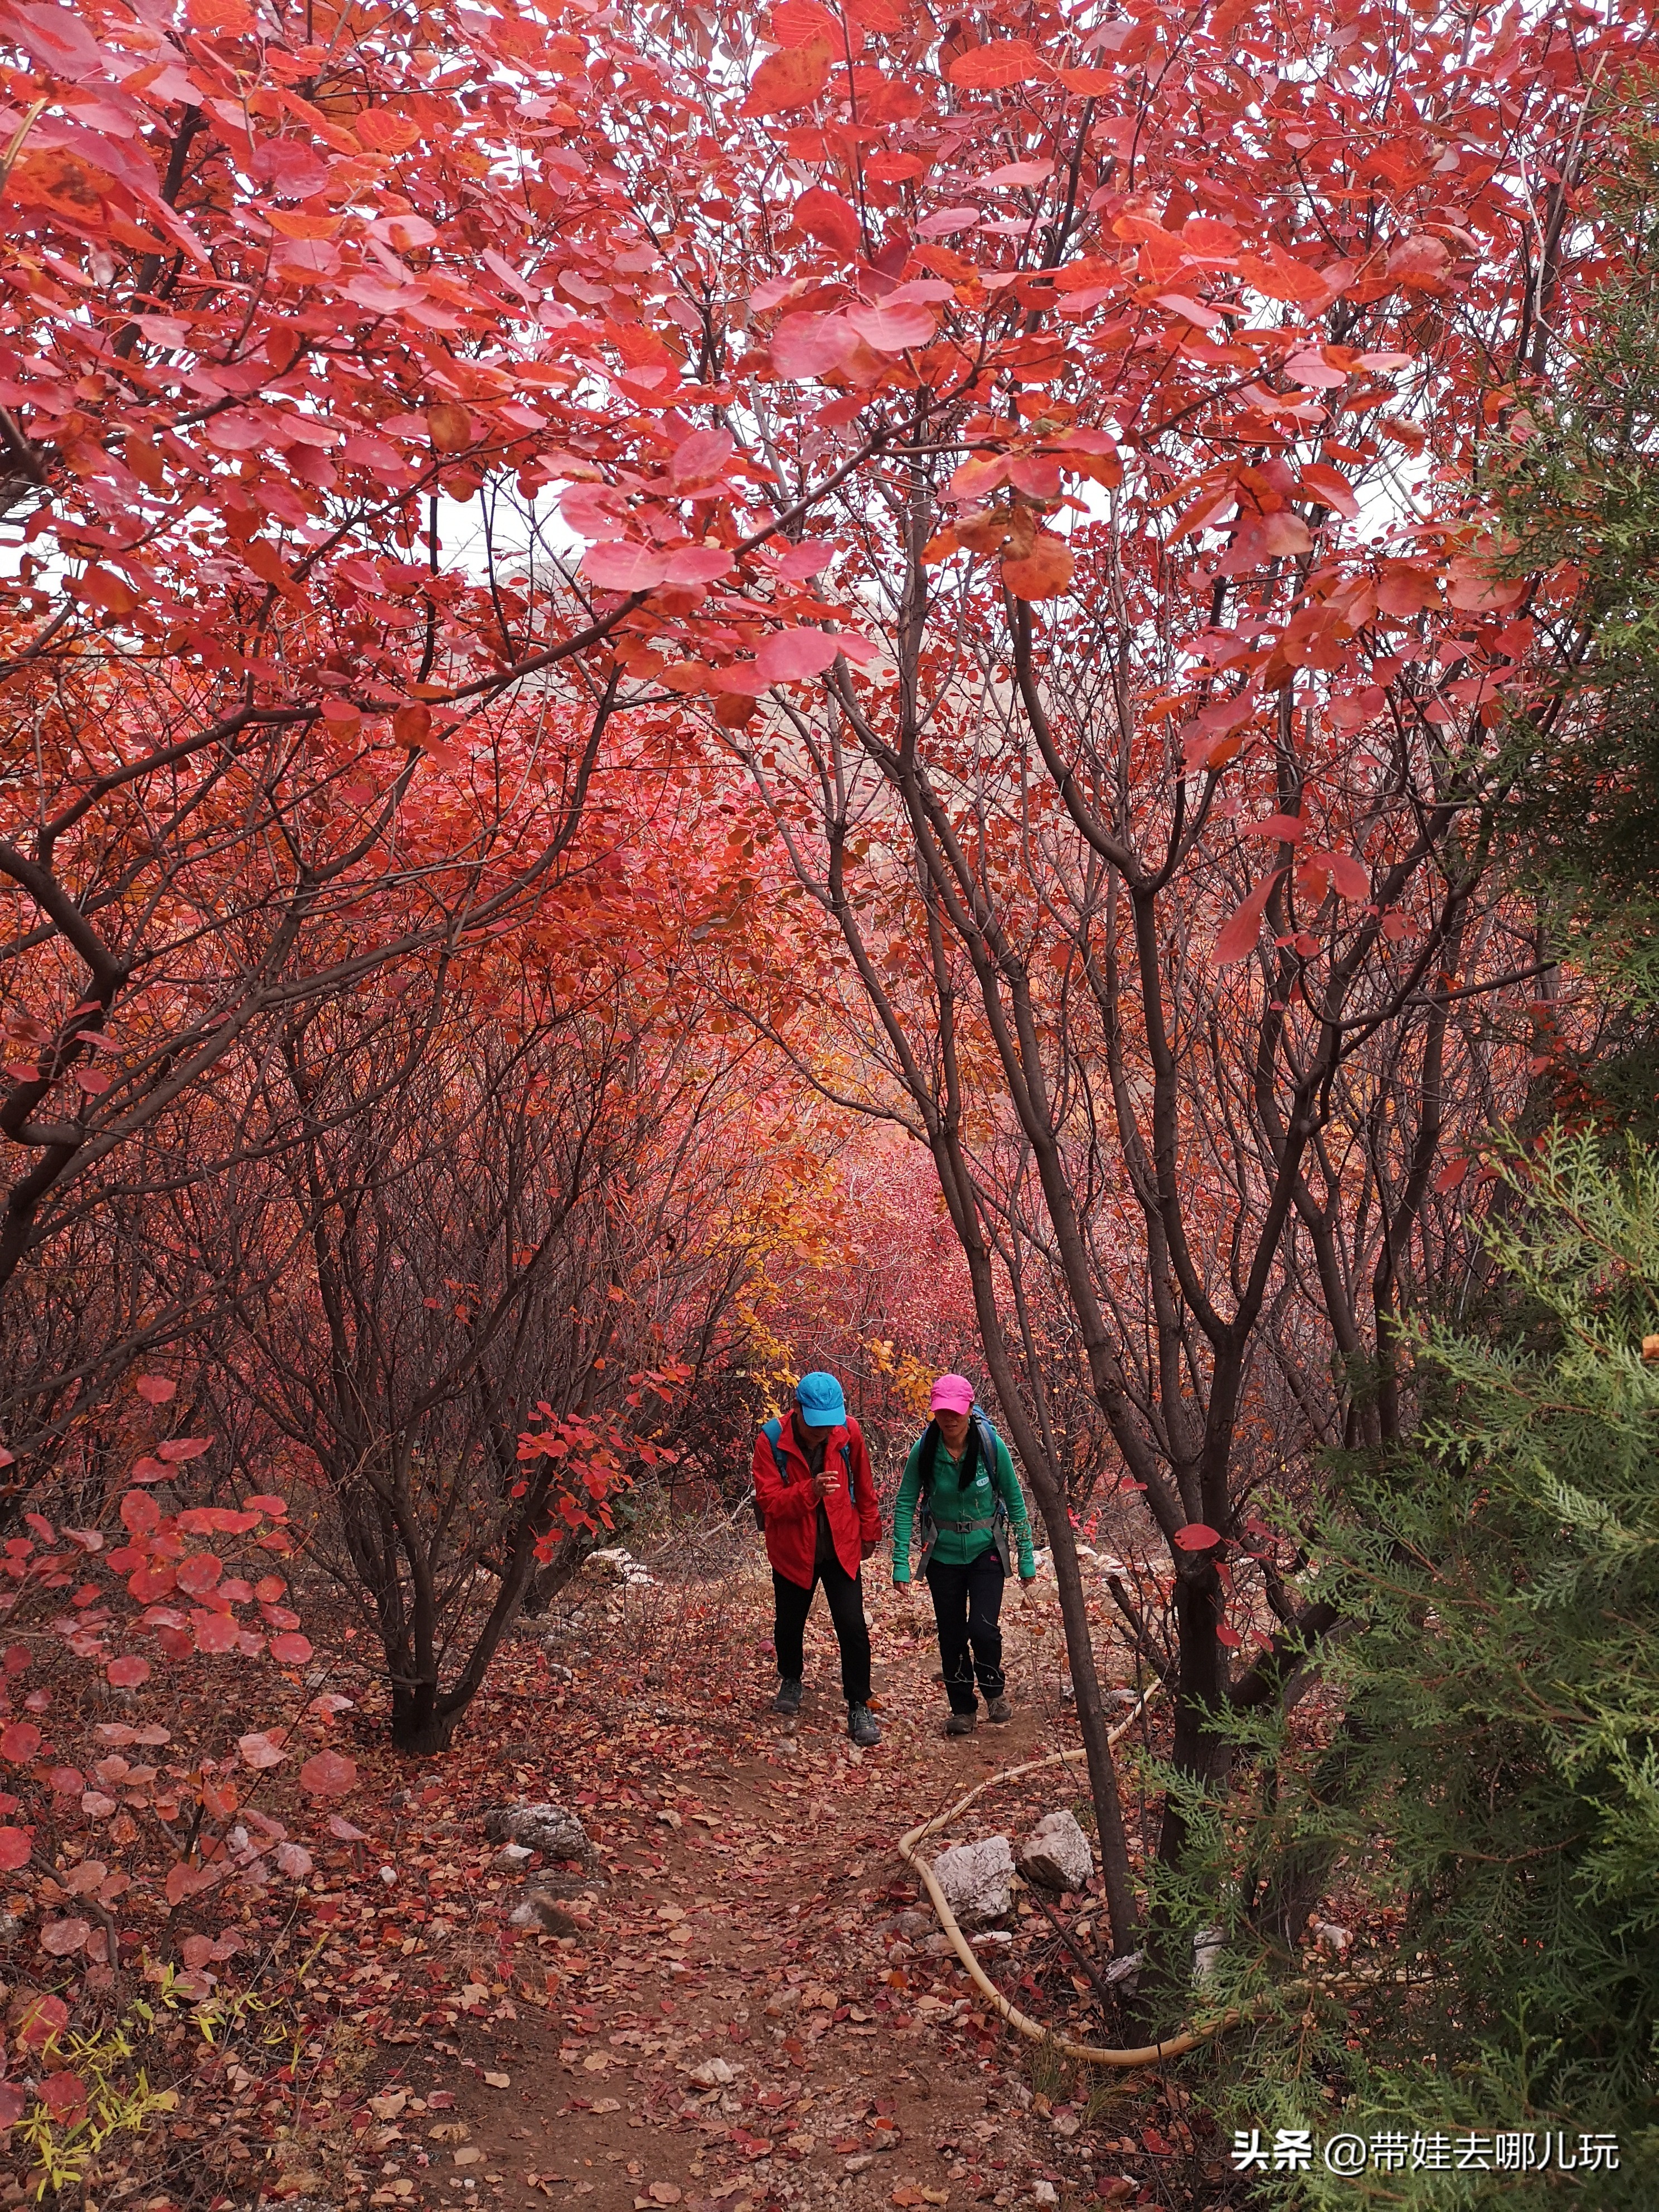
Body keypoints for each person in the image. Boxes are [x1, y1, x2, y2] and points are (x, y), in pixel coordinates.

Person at [891, 1374, 1036, 1735]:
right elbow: (906, 1503)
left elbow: (1015, 1500)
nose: (950, 1419)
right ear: (934, 1412)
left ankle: (994, 1693)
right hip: (942, 1555)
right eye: (942, 1412)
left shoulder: (990, 1445)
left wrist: (1026, 1556)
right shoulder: (924, 1450)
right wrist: (900, 1564)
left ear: (970, 1410)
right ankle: (962, 1708)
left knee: (983, 1630)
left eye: (956, 1411)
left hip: (986, 1550)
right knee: (952, 1635)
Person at [752, 1370, 883, 1748]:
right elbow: (770, 1502)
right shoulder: (771, 1440)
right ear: (797, 1410)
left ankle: (859, 1702)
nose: (823, 1433)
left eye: (829, 1425)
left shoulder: (849, 1433)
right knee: (789, 1623)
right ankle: (791, 1679)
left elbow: (866, 1485)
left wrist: (870, 1533)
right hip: (793, 1550)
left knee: (852, 1626)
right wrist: (810, 1490)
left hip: (841, 1547)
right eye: (816, 1426)